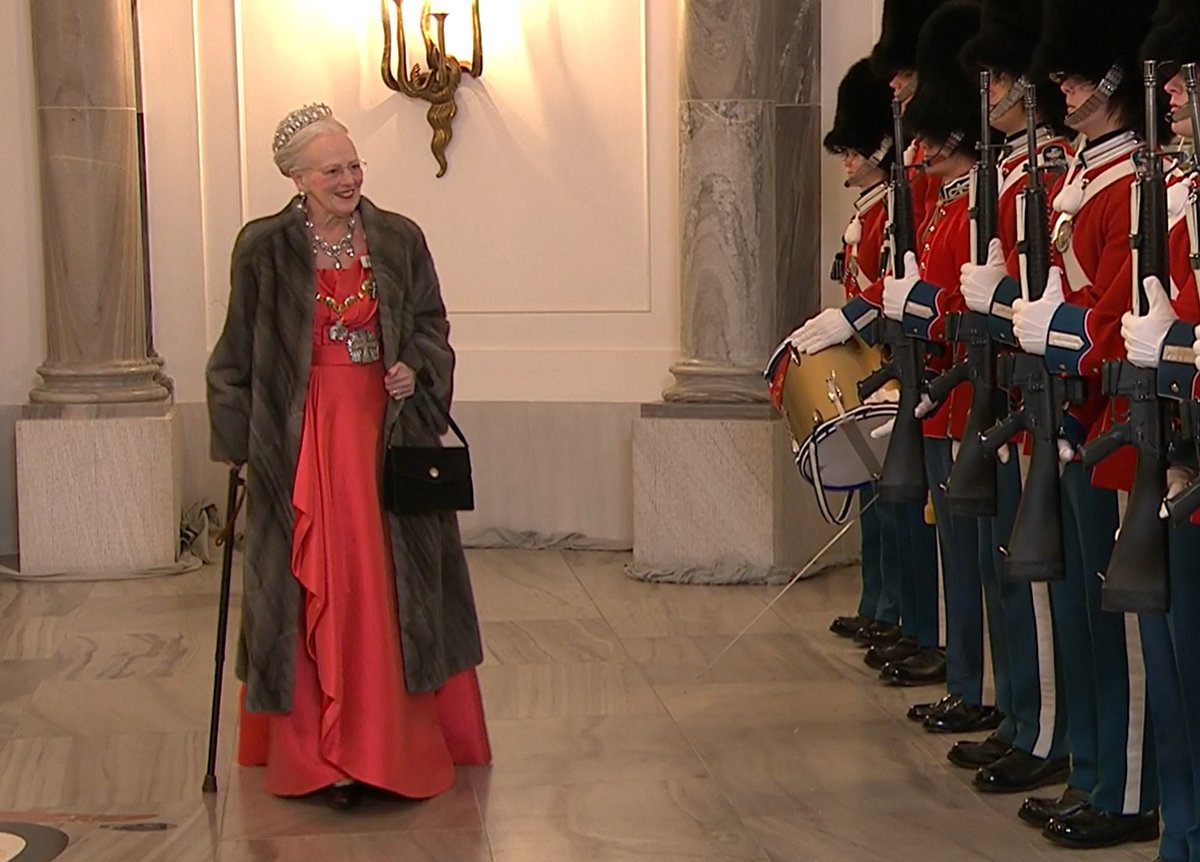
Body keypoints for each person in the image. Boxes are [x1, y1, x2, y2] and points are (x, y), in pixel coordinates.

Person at [206, 103, 491, 810]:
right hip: (300, 439)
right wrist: (241, 446)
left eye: (354, 166)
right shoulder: (263, 247)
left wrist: (414, 370)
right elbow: (234, 355)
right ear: (298, 178)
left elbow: (431, 324)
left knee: (381, 580)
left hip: (381, 435)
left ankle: (387, 746)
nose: (349, 178)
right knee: (313, 583)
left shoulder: (397, 238)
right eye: (333, 170)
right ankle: (317, 756)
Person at [1011, 0, 1163, 847]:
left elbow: (1112, 321)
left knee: (1118, 629)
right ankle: (1096, 770)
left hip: (1113, 433)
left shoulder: (1129, 185)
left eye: (1073, 73)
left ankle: (1127, 789)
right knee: (1074, 613)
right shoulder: (1080, 181)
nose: (1061, 88)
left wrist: (1054, 329)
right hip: (1069, 420)